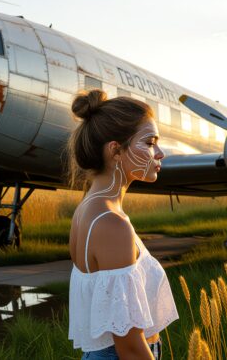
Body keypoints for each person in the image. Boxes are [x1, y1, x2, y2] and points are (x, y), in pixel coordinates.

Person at [67, 89, 179, 359]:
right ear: (116, 150)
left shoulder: (87, 209)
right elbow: (128, 345)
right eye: (150, 142)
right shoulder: (111, 223)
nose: (160, 153)